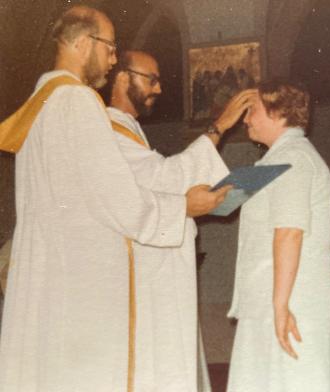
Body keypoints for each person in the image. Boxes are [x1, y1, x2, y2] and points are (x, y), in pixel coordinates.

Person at [0, 6, 230, 391]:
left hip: (56, 271)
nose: (112, 58)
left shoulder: (41, 104)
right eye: (108, 47)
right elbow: (116, 197)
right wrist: (183, 208)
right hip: (85, 280)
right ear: (80, 42)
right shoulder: (77, 101)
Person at [106, 50, 253, 391]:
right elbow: (166, 178)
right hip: (140, 276)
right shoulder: (109, 131)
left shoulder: (129, 130)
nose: (158, 89)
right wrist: (218, 126)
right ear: (122, 77)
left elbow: (160, 184)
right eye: (151, 79)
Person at [226, 80, 330, 392]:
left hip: (292, 304)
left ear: (278, 112)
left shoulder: (294, 157)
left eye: (251, 110)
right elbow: (216, 202)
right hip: (274, 302)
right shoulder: (273, 160)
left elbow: (289, 233)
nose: (245, 120)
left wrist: (281, 306)